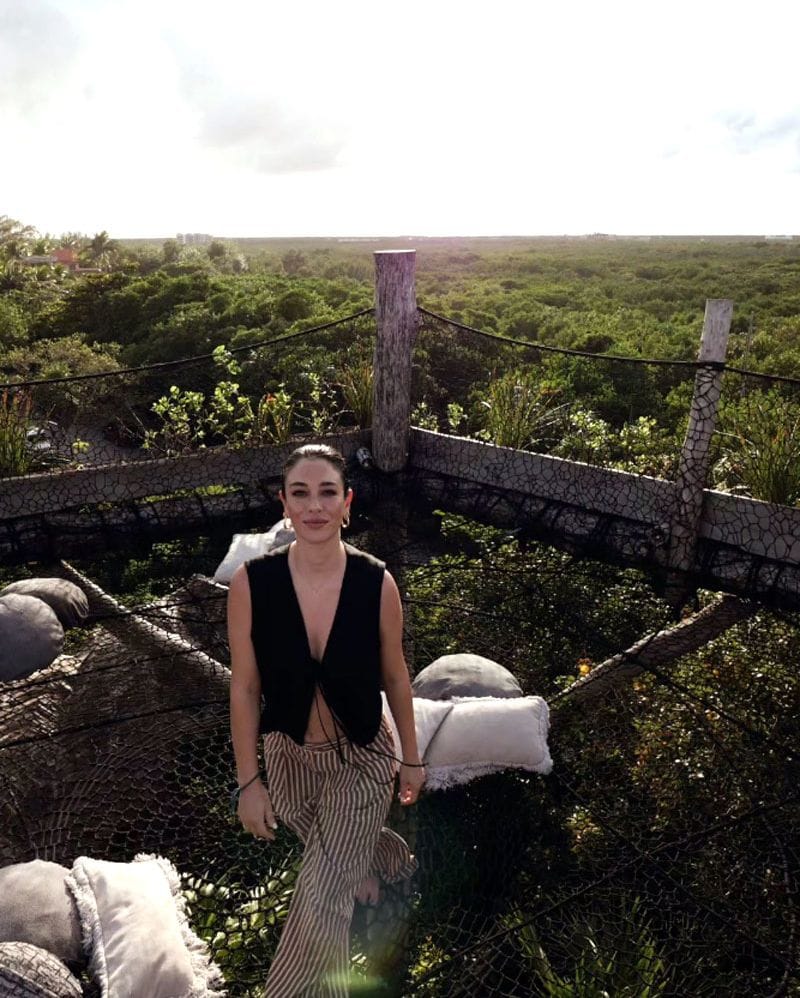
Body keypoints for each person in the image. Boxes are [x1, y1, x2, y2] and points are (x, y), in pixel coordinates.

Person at [228, 443, 425, 997]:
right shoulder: (251, 585)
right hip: (289, 757)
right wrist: (250, 782)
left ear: (347, 504)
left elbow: (396, 676)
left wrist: (411, 757)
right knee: (328, 851)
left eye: (327, 493)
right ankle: (376, 853)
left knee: (321, 895)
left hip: (363, 757)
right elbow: (244, 687)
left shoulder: (376, 583)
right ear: (284, 505)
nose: (314, 506)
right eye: (300, 493)